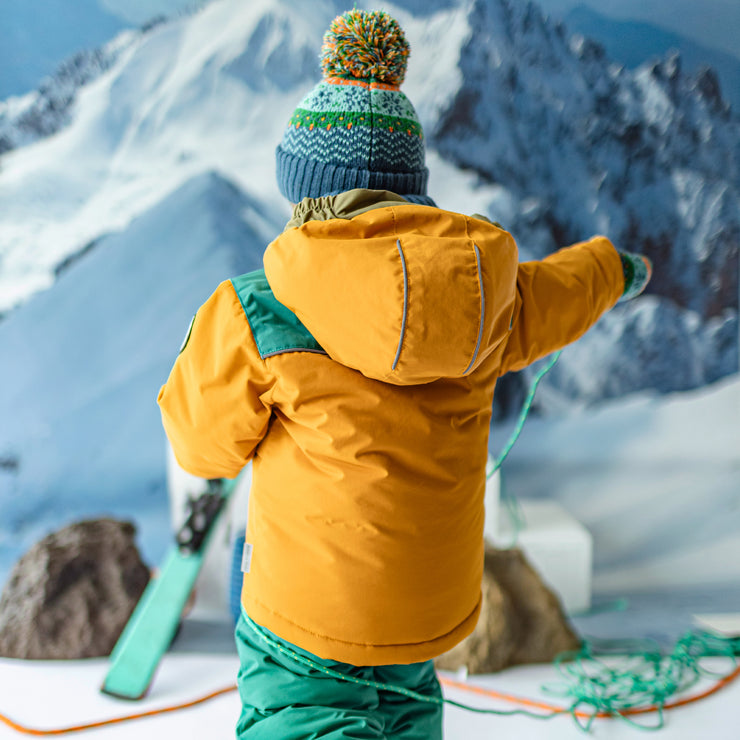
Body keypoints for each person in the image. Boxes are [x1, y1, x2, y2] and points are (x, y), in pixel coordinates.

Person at [157, 9, 652, 739]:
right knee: (406, 715)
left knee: (301, 720)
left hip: (307, 616)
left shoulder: (255, 310)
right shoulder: (486, 297)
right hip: (428, 612)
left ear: (305, 187)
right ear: (409, 183)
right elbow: (563, 289)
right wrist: (617, 267)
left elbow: (202, 449)